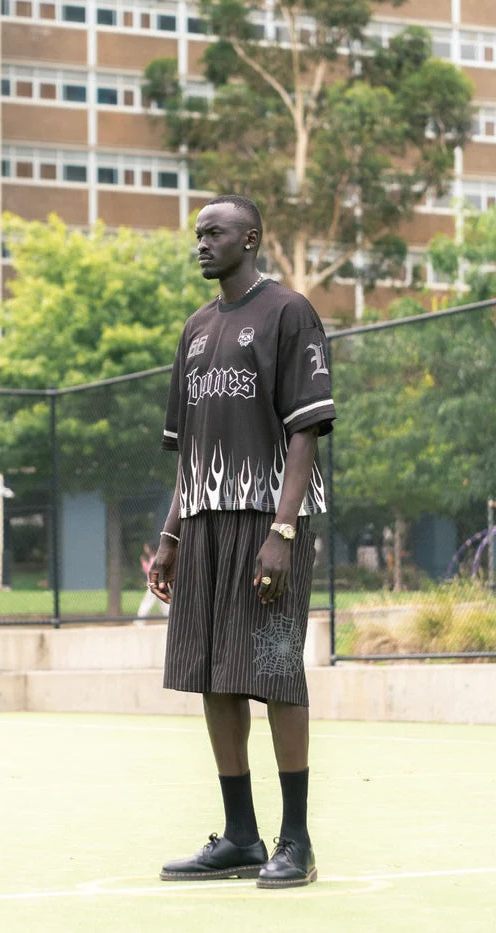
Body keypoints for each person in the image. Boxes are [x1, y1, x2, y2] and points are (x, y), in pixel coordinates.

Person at [148, 195, 336, 889]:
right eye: (197, 233)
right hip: (203, 523)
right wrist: (170, 534)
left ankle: (297, 840)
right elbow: (189, 451)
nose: (201, 243)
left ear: (250, 238)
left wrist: (282, 530)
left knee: (274, 670)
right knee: (213, 674)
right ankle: (240, 837)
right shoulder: (196, 329)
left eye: (215, 232)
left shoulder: (289, 312)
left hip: (267, 520)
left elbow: (305, 431)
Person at [135, 543, 170, 623]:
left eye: (146, 547)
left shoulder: (154, 558)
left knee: (147, 602)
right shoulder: (155, 558)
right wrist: (144, 563)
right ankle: (170, 620)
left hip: (154, 584)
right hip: (158, 583)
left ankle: (140, 621)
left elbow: (150, 571)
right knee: (164, 603)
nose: (145, 549)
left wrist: (144, 563)